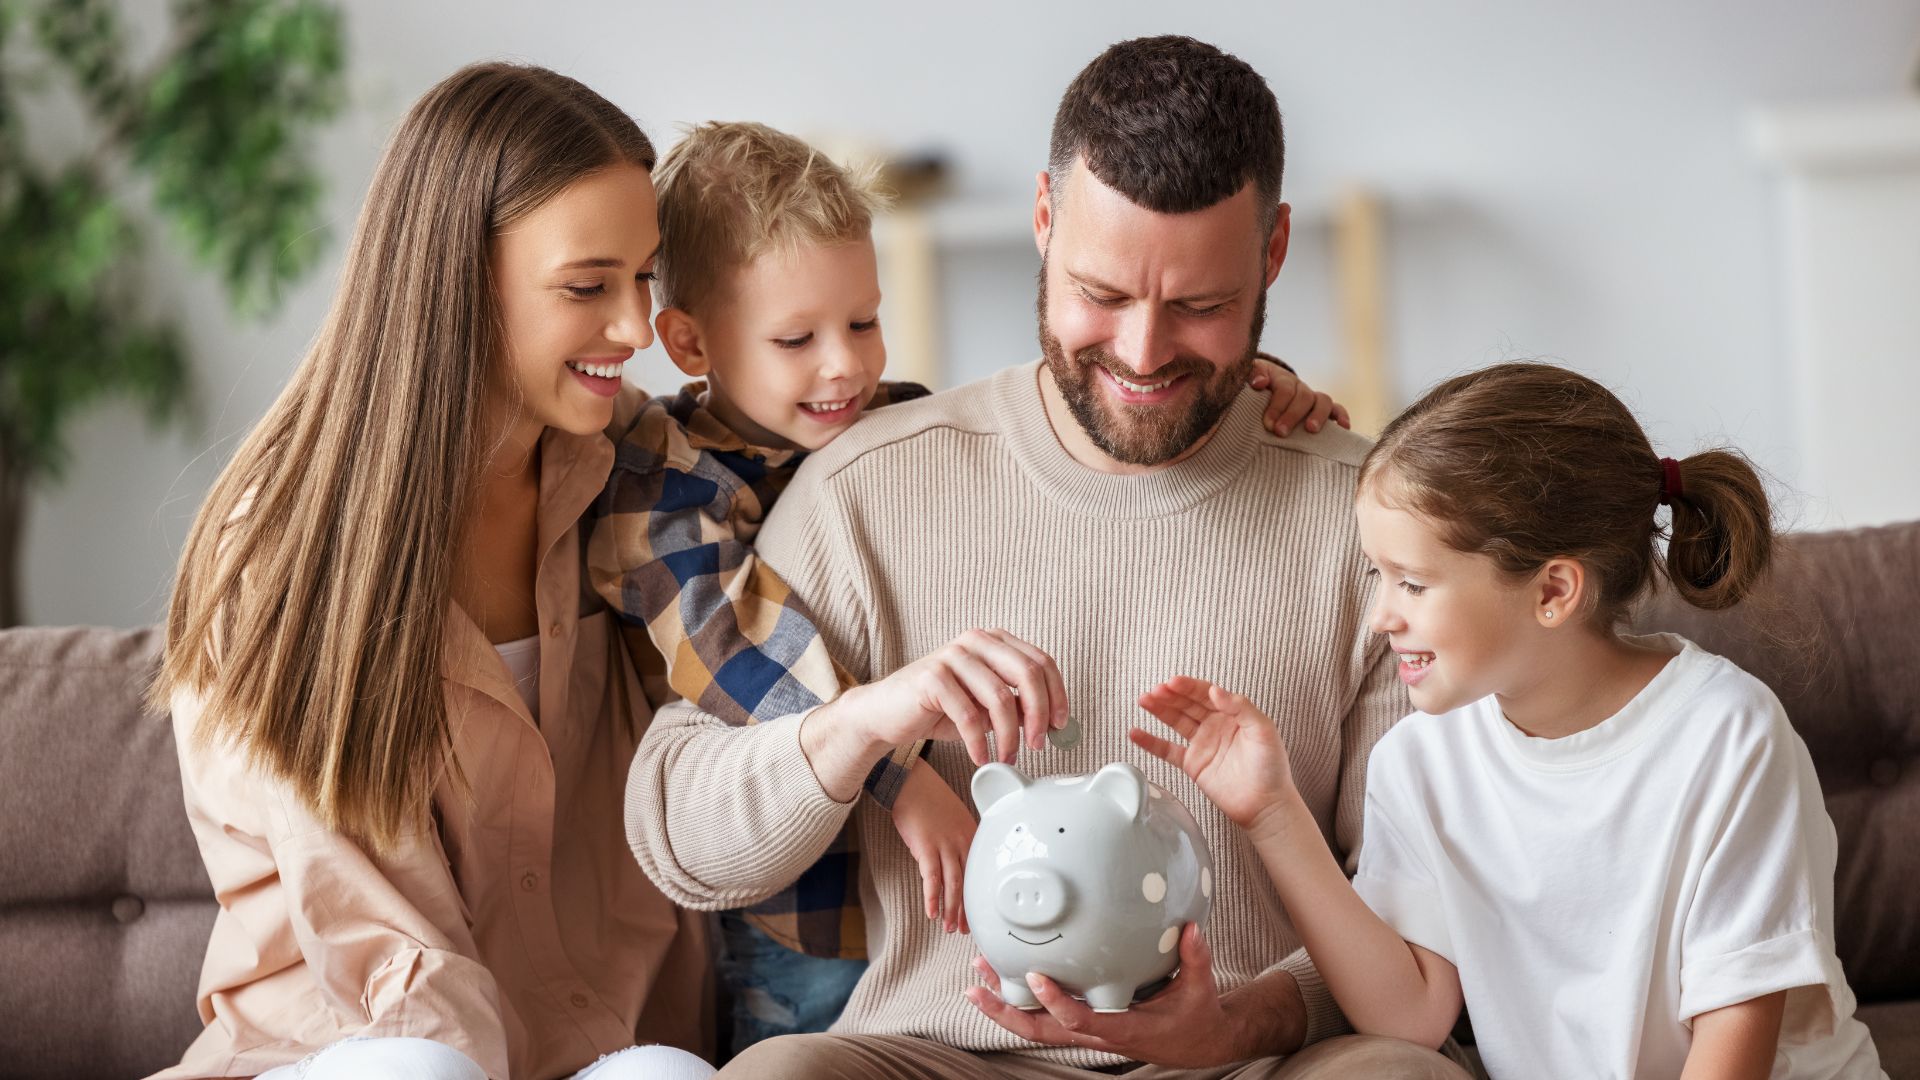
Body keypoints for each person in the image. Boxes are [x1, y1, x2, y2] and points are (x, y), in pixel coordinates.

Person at [626, 36, 1469, 1078]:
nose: (1144, 352)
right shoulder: (861, 483)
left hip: (1253, 1058)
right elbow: (683, 840)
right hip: (943, 1054)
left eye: (1200, 306)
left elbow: (1416, 914)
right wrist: (861, 725)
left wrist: (1243, 1023)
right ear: (1041, 218)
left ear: (1275, 251)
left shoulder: (1367, 521)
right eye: (1102, 295)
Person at [149, 63, 712, 1080]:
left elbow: (773, 584)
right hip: (353, 1042)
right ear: (456, 277)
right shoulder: (282, 543)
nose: (636, 330)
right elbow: (373, 936)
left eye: (645, 277)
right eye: (588, 287)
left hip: (593, 1043)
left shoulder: (630, 470)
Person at [1133, 362, 1888, 1079]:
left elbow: (1735, 1041)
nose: (1378, 619)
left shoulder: (1727, 737)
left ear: (1554, 591)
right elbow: (1412, 1014)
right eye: (1377, 575)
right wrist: (1273, 813)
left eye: (1413, 583)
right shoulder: (1421, 762)